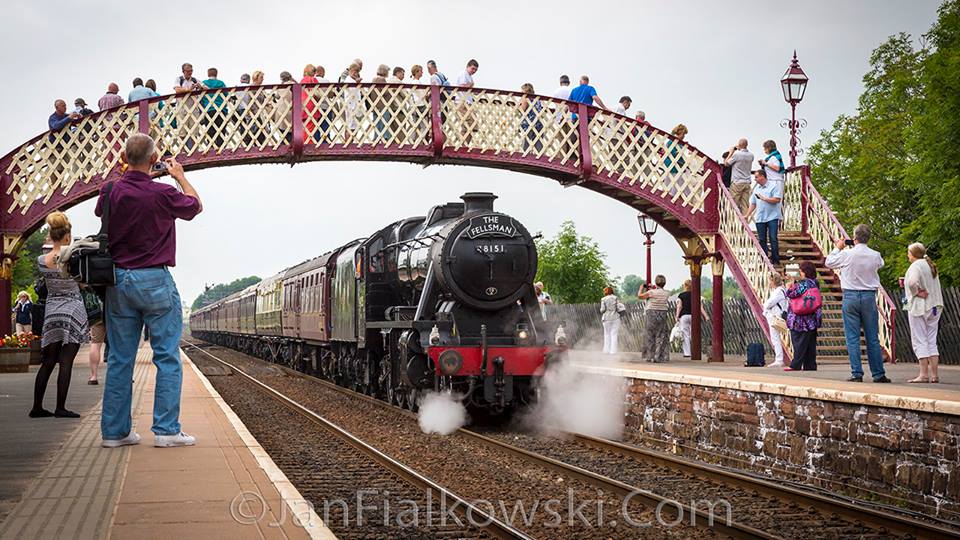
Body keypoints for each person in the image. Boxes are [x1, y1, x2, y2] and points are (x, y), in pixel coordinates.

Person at [96, 133, 203, 448]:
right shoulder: (163, 193)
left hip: (118, 281)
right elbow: (195, 205)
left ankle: (115, 433)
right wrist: (179, 176)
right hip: (154, 280)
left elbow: (104, 210)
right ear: (155, 159)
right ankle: (167, 431)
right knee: (167, 356)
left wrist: (135, 171)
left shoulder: (110, 190)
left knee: (119, 359)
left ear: (124, 158)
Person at [30, 212, 88, 418]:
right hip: (73, 310)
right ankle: (60, 407)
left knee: (48, 361)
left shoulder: (41, 260)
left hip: (52, 311)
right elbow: (83, 284)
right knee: (66, 362)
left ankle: (36, 407)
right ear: (66, 237)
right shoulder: (73, 258)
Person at [824, 224, 889, 383]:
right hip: (868, 296)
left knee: (852, 337)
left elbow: (829, 262)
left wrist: (837, 248)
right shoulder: (875, 255)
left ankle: (856, 373)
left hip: (851, 295)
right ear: (868, 238)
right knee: (872, 337)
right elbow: (881, 264)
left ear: (854, 237)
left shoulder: (847, 254)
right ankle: (878, 373)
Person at [904, 243, 944, 383]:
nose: (907, 255)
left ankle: (923, 374)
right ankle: (934, 375)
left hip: (920, 306)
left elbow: (912, 282)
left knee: (919, 339)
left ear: (913, 254)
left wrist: (917, 292)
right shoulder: (930, 265)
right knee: (931, 340)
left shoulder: (915, 266)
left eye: (908, 253)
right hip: (936, 306)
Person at [784, 261, 822, 372]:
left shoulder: (802, 284)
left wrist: (789, 286)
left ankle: (795, 364)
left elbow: (791, 294)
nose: (800, 273)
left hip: (800, 319)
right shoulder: (815, 283)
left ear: (804, 272)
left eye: (801, 271)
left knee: (799, 342)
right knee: (810, 343)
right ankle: (810, 365)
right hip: (812, 318)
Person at [744, 169, 783, 265]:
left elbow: (777, 199)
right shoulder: (756, 189)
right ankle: (765, 260)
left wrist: (765, 198)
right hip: (760, 217)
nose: (755, 179)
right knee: (762, 239)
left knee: (773, 237)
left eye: (756, 177)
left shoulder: (773, 186)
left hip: (772, 217)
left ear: (762, 176)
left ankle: (775, 260)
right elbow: (753, 203)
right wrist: (747, 215)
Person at [638, 275, 670, 363]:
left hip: (651, 313)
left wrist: (641, 288)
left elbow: (640, 296)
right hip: (663, 314)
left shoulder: (651, 292)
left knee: (650, 335)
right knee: (661, 336)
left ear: (656, 282)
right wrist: (654, 287)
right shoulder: (667, 293)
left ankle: (649, 356)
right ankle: (658, 356)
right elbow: (659, 291)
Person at [762, 273, 789, 368]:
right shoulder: (783, 290)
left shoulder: (778, 292)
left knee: (775, 338)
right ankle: (779, 359)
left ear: (773, 282)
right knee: (776, 337)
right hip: (779, 315)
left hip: (775, 317)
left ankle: (779, 359)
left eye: (770, 281)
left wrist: (765, 305)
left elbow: (769, 304)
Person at [724, 139, 754, 212]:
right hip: (747, 182)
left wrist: (731, 153)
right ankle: (744, 222)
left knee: (733, 205)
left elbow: (726, 163)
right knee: (745, 205)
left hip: (737, 182)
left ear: (739, 145)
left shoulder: (737, 154)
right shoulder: (751, 155)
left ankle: (734, 222)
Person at [201, 68, 227, 145]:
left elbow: (201, 98)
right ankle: (221, 147)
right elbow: (226, 95)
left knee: (210, 130)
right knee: (221, 130)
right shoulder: (221, 83)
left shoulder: (204, 83)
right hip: (220, 109)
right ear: (216, 74)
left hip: (209, 109)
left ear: (208, 74)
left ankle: (211, 146)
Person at [519, 83, 544, 153]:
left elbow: (522, 109)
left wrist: (519, 105)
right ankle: (538, 157)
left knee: (525, 144)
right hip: (538, 123)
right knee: (538, 145)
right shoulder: (537, 99)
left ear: (525, 90)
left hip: (528, 123)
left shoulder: (526, 98)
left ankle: (524, 156)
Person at [599, 286, 621, 355]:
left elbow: (602, 310)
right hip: (615, 318)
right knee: (614, 334)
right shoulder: (615, 298)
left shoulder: (603, 299)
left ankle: (606, 350)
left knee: (607, 334)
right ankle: (613, 351)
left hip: (606, 318)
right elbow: (618, 308)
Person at [675, 280, 693, 358]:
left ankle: (687, 353)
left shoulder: (681, 295)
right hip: (694, 316)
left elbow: (679, 306)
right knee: (693, 334)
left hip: (684, 316)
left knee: (686, 335)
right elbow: (700, 306)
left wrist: (677, 316)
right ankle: (695, 351)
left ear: (684, 286)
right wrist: (706, 316)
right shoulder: (695, 294)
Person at [88, 319, 105, 385]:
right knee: (119, 343)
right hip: (116, 312)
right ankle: (125, 376)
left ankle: (94, 377)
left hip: (99, 314)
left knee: (95, 343)